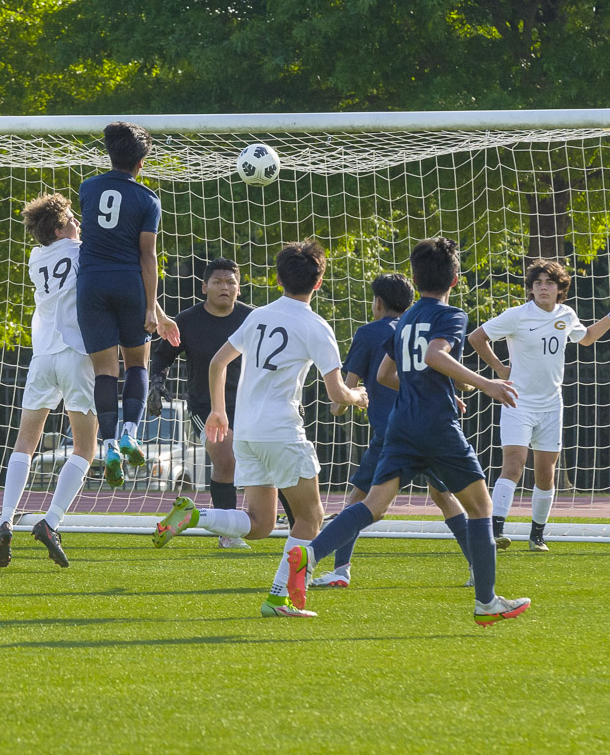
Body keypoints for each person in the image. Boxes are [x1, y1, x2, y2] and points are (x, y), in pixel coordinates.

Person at [286, 237, 531, 626]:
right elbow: (436, 355)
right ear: (454, 280)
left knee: (372, 505)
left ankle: (310, 556)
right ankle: (486, 602)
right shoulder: (449, 316)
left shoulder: (405, 320)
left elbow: (385, 375)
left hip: (401, 426)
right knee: (480, 508)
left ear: (415, 280)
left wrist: (430, 388)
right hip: (436, 426)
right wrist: (487, 384)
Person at [152, 240, 368, 618]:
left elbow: (217, 363)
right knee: (311, 517)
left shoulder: (258, 316)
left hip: (247, 431)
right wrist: (359, 396)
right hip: (281, 431)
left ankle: (196, 516)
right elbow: (337, 393)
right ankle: (278, 596)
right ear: (318, 284)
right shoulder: (316, 325)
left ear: (279, 279)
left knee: (260, 525)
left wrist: (219, 411)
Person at [315, 273, 476, 589]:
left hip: (393, 432)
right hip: (430, 426)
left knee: (360, 498)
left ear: (377, 303)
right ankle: (477, 567)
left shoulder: (369, 334)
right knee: (445, 496)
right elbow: (444, 374)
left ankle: (339, 569)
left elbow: (350, 387)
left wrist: (340, 405)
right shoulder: (417, 329)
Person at [467, 260, 610, 552]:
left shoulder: (566, 314)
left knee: (545, 474)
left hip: (552, 405)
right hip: (517, 401)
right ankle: (495, 529)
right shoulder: (517, 315)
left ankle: (537, 536)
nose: (543, 287)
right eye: (537, 283)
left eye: (549, 283)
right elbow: (477, 337)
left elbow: (586, 338)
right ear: (531, 288)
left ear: (560, 288)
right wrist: (500, 368)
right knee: (513, 465)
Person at [0, 193, 96, 569]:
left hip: (42, 357)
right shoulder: (83, 252)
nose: (78, 224)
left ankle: (5, 518)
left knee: (25, 442)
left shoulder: (36, 259)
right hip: (76, 354)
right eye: (72, 219)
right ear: (59, 229)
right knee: (86, 448)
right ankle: (51, 521)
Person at [76, 121, 180, 489]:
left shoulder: (87, 188)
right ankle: (130, 435)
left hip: (90, 284)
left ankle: (107, 446)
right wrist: (152, 307)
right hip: (128, 283)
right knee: (137, 362)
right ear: (141, 164)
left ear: (110, 154)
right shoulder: (148, 199)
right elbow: (147, 256)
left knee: (105, 371)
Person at [148, 258, 256, 549]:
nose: (225, 287)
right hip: (205, 408)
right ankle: (228, 535)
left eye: (231, 282)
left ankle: (298, 524)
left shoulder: (254, 318)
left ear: (239, 288)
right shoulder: (186, 321)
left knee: (269, 463)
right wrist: (157, 381)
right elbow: (161, 356)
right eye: (218, 282)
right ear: (204, 287)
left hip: (251, 406)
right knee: (225, 457)